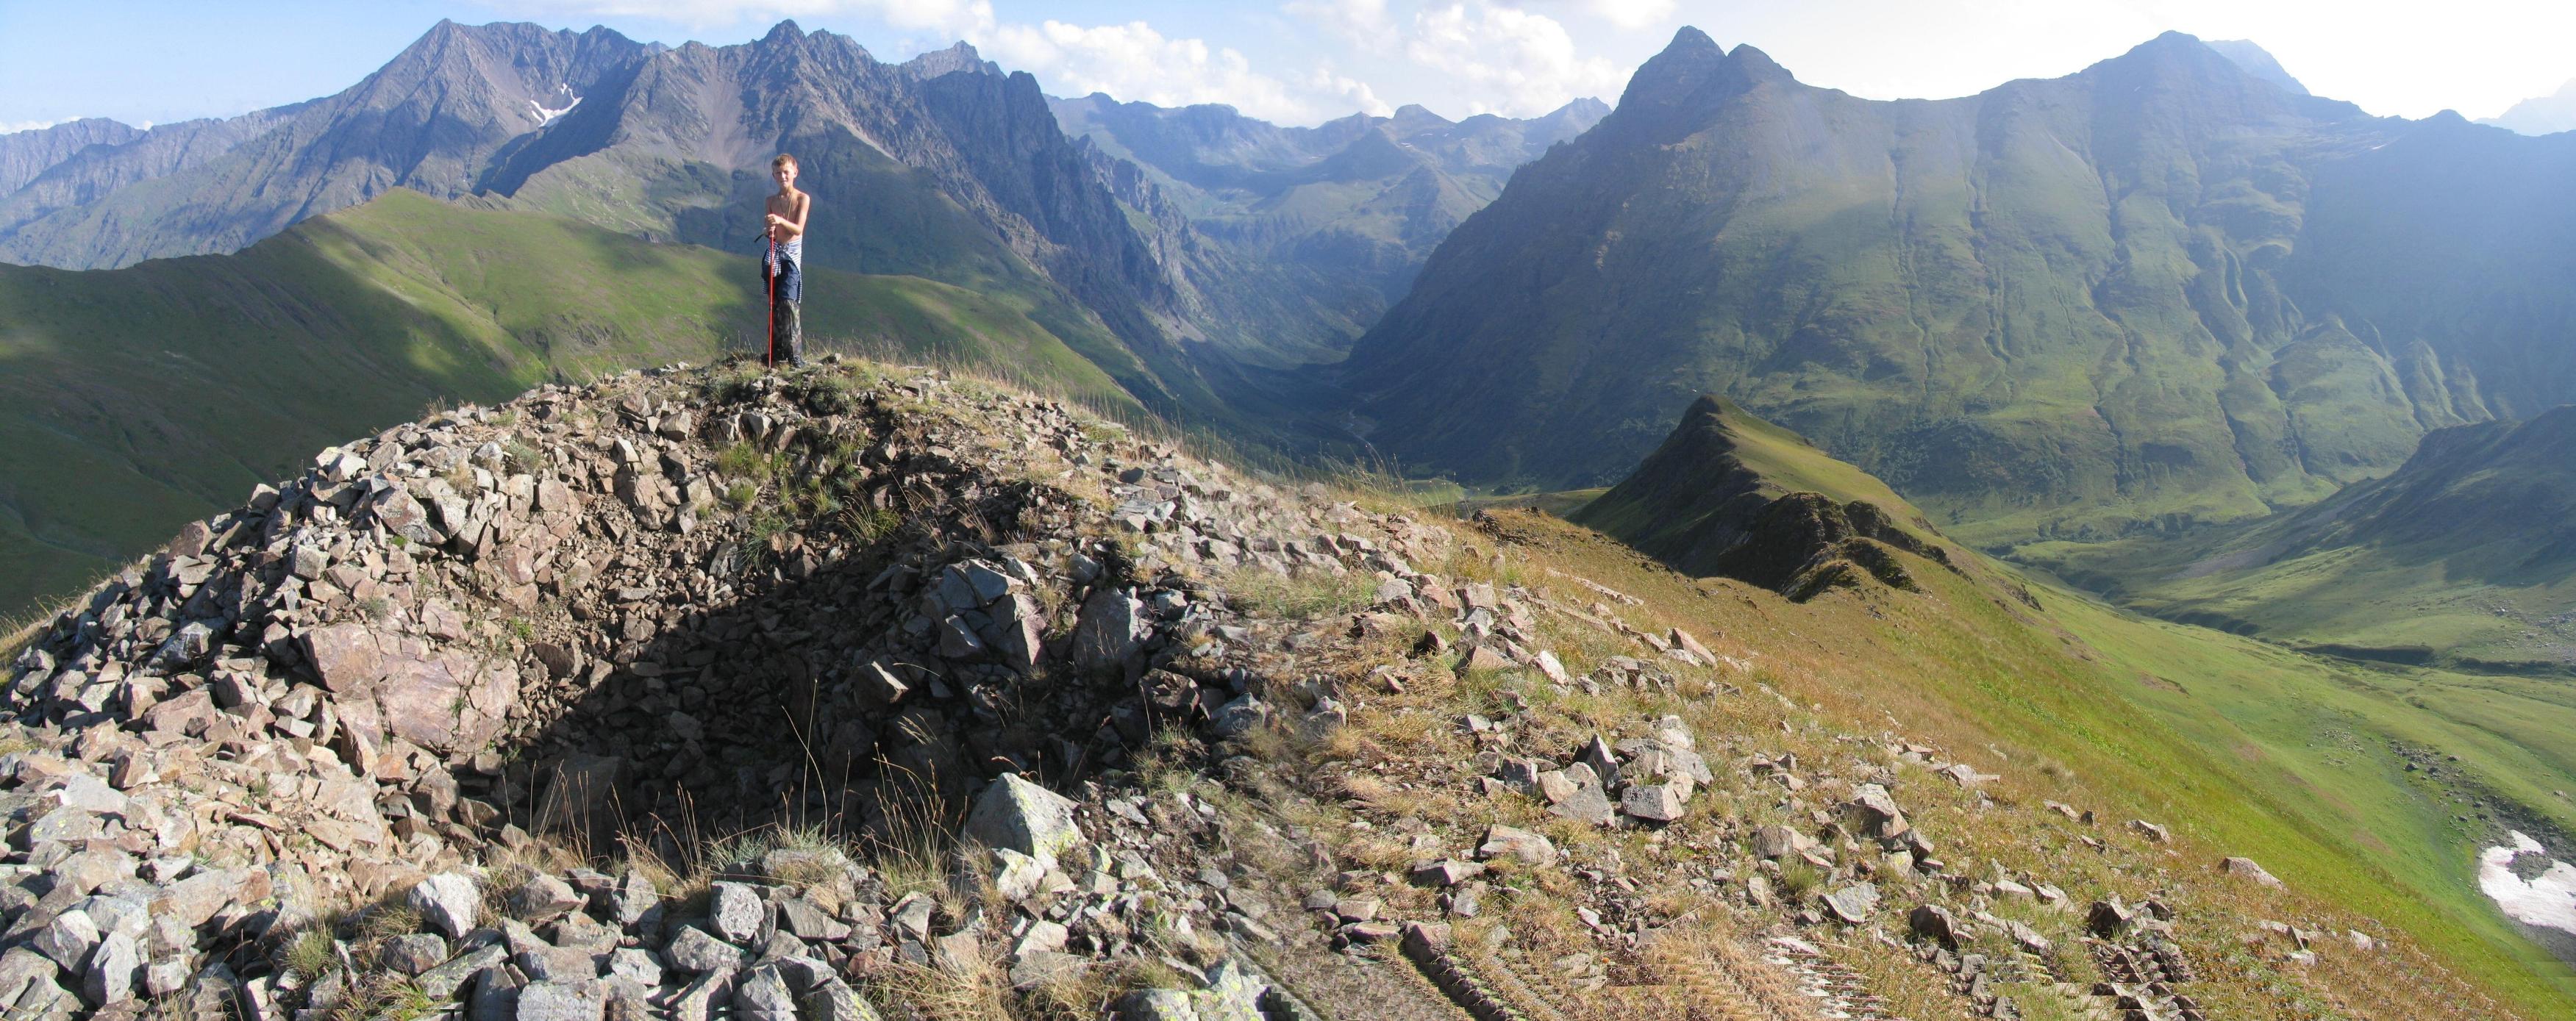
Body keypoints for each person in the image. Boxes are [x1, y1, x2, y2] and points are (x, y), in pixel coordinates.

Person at [761, 153, 810, 368]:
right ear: (774, 175)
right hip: (774, 253)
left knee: (789, 301)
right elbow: (770, 230)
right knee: (775, 302)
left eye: (786, 172)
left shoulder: (802, 199)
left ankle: (795, 355)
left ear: (795, 173)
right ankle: (777, 351)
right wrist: (769, 231)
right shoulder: (770, 201)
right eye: (779, 173)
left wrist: (780, 220)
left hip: (791, 256)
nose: (783, 176)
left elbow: (798, 229)